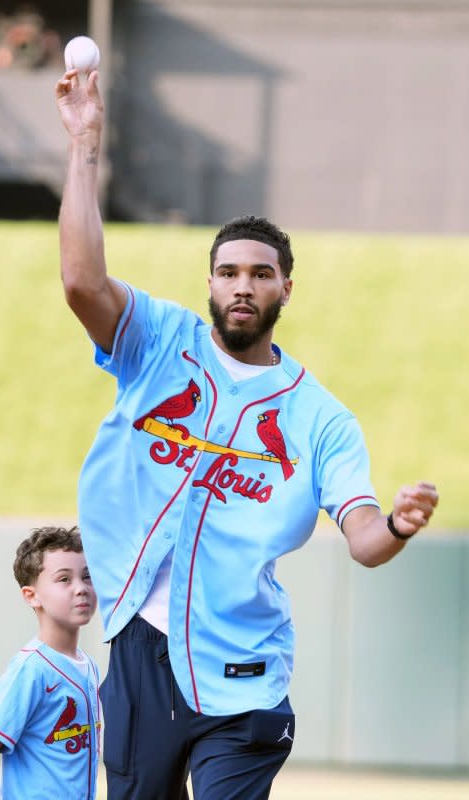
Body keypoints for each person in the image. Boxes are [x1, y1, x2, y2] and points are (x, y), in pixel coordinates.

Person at [55, 69, 439, 800]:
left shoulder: (320, 418)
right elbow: (81, 282)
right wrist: (84, 145)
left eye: (260, 274)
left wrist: (395, 524)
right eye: (227, 272)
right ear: (208, 283)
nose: (241, 285)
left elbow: (363, 538)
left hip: (245, 671)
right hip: (140, 650)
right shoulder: (160, 342)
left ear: (285, 288)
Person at [0, 526, 101, 800]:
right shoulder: (31, 669)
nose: (81, 588)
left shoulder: (89, 665)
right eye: (64, 579)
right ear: (32, 595)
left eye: (87, 576)